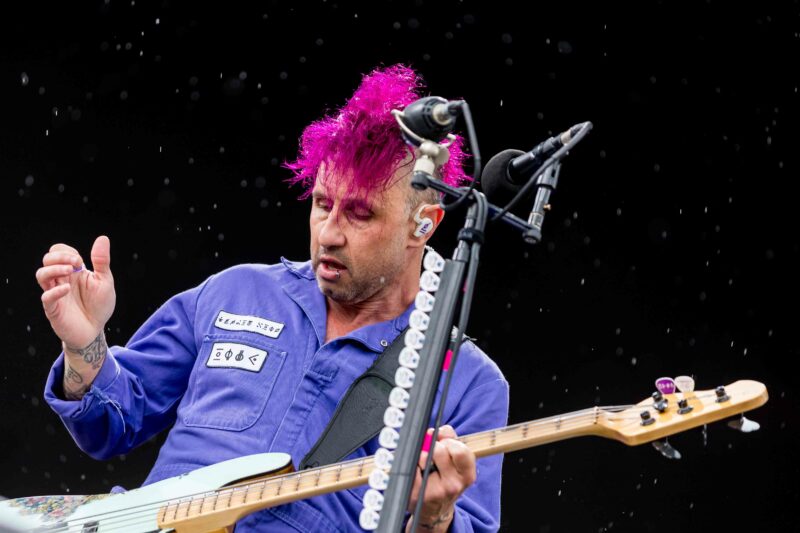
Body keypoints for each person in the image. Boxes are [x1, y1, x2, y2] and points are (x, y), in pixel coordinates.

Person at [36, 64, 509, 532]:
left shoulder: (469, 382)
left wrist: (434, 518)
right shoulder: (235, 291)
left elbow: (465, 524)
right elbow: (110, 425)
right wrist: (84, 347)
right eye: (322, 204)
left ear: (422, 225)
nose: (329, 233)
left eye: (360, 214)